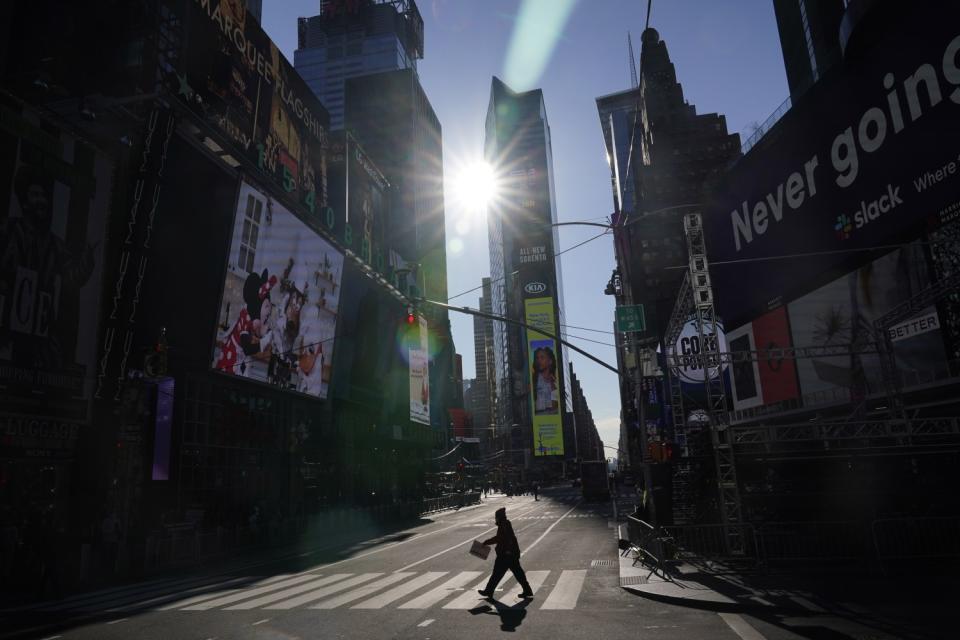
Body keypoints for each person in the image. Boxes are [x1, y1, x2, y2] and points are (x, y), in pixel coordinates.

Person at [478, 507, 533, 599]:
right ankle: (527, 590)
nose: (495, 518)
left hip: (506, 554)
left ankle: (489, 591)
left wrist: (487, 542)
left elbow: (503, 538)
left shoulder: (504, 525)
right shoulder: (505, 524)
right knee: (518, 573)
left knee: (497, 574)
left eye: (496, 517)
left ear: (499, 517)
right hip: (510, 554)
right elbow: (502, 538)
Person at [531, 346, 559, 414]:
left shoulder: (555, 380)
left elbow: (555, 404)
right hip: (538, 418)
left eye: (542, 357)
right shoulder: (534, 379)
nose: (539, 361)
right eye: (537, 358)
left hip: (553, 417)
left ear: (550, 361)